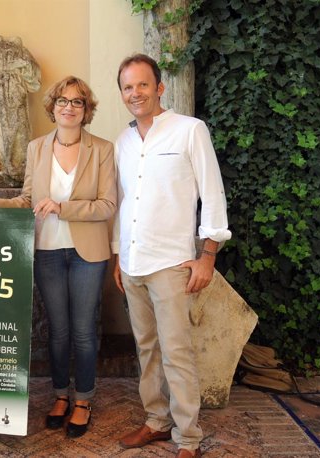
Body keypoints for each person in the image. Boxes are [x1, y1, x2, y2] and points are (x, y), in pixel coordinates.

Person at [0, 76, 117, 438]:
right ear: (52, 107)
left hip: (87, 252)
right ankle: (60, 395)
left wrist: (63, 207)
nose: (69, 107)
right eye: (62, 100)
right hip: (45, 250)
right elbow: (26, 200)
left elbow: (107, 205)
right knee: (58, 331)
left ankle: (84, 399)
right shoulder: (37, 148)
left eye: (77, 102)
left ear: (86, 110)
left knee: (83, 332)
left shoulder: (103, 149)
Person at [112, 54, 231, 458]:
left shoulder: (190, 131)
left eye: (142, 85)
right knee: (146, 348)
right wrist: (117, 256)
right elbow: (126, 202)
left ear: (159, 88)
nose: (135, 93)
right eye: (128, 87)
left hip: (171, 263)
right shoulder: (123, 142)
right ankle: (156, 422)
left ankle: (189, 436)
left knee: (176, 351)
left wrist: (207, 254)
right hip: (132, 263)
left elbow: (211, 193)